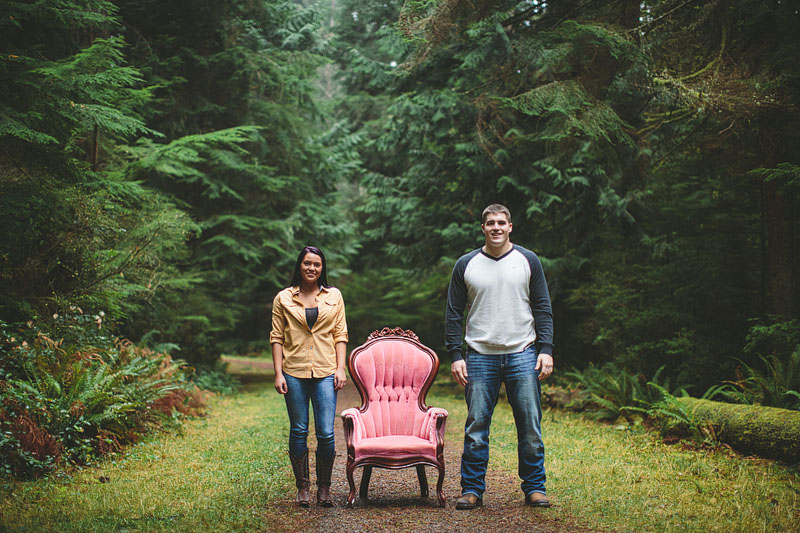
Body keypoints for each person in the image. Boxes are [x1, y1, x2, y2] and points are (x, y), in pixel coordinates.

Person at [445, 204, 554, 510]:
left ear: (510, 227)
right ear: (483, 227)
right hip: (480, 356)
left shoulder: (527, 260)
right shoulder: (466, 264)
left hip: (522, 353)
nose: (496, 227)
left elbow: (542, 307)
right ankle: (471, 489)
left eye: (501, 222)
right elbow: (453, 313)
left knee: (530, 425)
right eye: (490, 222)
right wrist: (455, 354)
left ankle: (535, 487)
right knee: (477, 426)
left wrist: (546, 349)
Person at [270, 246, 348, 507]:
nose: (312, 268)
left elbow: (340, 334)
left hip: (325, 371)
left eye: (316, 264)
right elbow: (277, 337)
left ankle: (323, 489)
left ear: (322, 267)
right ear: (299, 266)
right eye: (307, 263)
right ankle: (302, 488)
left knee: (326, 432)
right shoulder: (283, 298)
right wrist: (278, 373)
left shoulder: (334, 296)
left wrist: (340, 368)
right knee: (299, 429)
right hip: (294, 372)